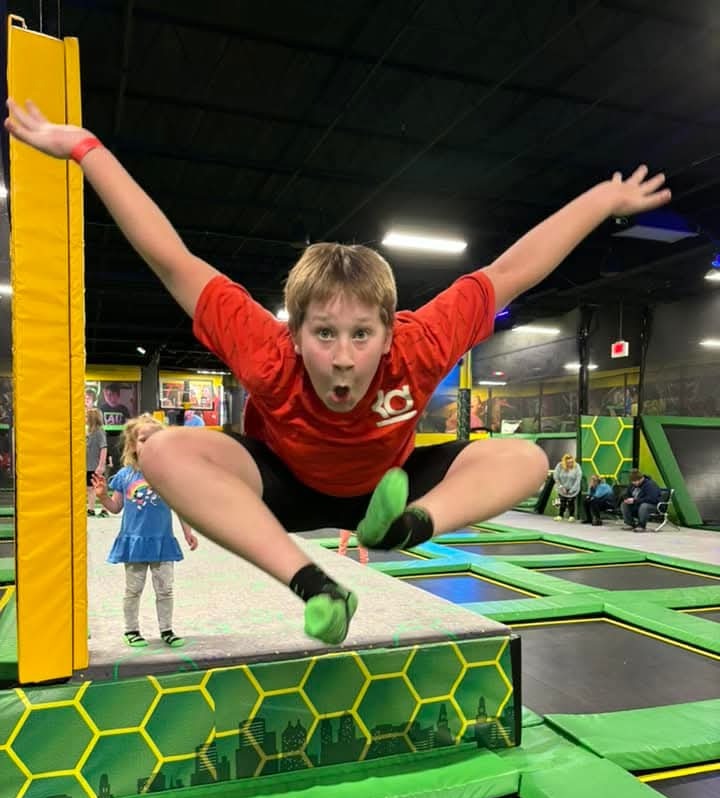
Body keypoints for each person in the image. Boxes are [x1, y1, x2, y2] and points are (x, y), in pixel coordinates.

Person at [5, 98, 671, 646]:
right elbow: (171, 258)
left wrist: (600, 200)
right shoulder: (266, 351)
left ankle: (405, 529)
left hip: (388, 489)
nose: (344, 356)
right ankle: (315, 586)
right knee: (163, 449)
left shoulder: (420, 343)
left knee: (525, 457)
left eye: (361, 335)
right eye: (324, 334)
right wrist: (88, 149)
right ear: (295, 335)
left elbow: (513, 269)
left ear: (389, 332)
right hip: (283, 485)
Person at [92, 414, 198, 647]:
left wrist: (187, 532)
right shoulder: (125, 476)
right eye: (143, 440)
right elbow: (115, 507)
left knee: (165, 589)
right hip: (135, 543)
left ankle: (167, 629)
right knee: (133, 590)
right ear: (132, 445)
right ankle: (131, 630)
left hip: (162, 542)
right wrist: (102, 496)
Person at [86, 407, 108, 517]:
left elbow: (103, 448)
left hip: (96, 466)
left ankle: (105, 510)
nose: (85, 418)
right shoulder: (89, 432)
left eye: (87, 417)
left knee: (99, 488)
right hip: (88, 465)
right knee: (90, 488)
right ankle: (91, 509)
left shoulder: (99, 432)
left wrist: (101, 465)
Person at [552, 453, 582, 522]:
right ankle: (560, 515)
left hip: (573, 488)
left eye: (571, 462)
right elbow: (556, 477)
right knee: (562, 501)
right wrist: (561, 487)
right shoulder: (559, 466)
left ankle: (571, 516)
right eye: (568, 462)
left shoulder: (577, 466)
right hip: (562, 488)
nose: (570, 464)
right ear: (565, 462)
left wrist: (572, 490)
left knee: (571, 502)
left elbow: (578, 479)